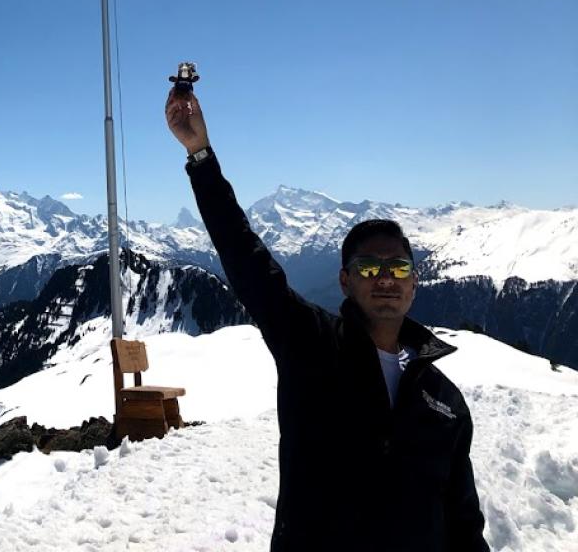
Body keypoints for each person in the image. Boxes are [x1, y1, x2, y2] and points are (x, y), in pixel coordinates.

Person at [167, 87, 489, 552]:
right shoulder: (311, 344)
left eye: (398, 267)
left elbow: (463, 522)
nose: (384, 278)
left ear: (415, 282)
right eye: (368, 267)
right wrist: (200, 154)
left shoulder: (445, 401)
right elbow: (247, 260)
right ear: (344, 281)